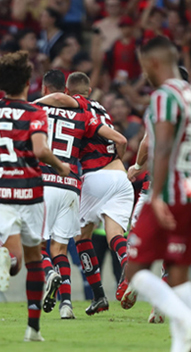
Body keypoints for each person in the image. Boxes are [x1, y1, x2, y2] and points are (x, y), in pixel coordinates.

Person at [0, 51, 71, 341]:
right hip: (29, 192)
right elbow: (39, 150)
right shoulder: (35, 112)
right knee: (36, 258)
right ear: (27, 81)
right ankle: (33, 329)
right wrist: (62, 166)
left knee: (15, 248)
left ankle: (11, 254)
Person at [121, 36, 191, 352]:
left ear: (153, 63)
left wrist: (155, 195)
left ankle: (190, 321)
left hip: (171, 192)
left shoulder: (164, 97)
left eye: (143, 65)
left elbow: (161, 148)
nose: (143, 72)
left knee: (134, 270)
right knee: (178, 272)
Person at [126, 65, 191, 322]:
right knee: (178, 262)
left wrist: (138, 166)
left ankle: (141, 289)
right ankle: (172, 318)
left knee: (137, 255)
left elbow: (149, 144)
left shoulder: (164, 108)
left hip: (162, 189)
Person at [34, 71, 131, 316]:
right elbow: (121, 139)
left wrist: (29, 104)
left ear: (70, 92)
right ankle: (129, 265)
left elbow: (57, 100)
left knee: (80, 239)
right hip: (121, 176)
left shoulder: (81, 106)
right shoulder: (102, 110)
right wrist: (119, 161)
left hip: (94, 176)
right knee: (114, 235)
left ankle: (98, 294)